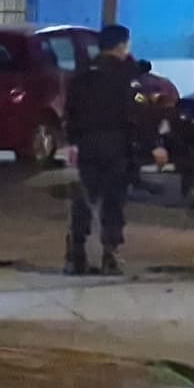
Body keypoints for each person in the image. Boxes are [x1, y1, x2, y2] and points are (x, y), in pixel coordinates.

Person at [60, 23, 142, 275]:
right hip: (116, 144)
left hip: (87, 144)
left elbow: (70, 111)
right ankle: (110, 254)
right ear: (122, 45)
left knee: (85, 199)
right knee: (114, 201)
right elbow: (134, 113)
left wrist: (73, 140)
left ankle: (76, 253)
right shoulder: (125, 75)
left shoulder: (82, 74)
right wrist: (145, 146)